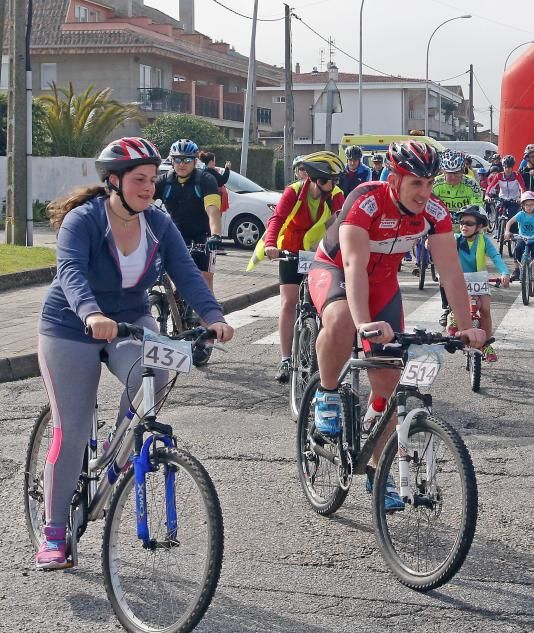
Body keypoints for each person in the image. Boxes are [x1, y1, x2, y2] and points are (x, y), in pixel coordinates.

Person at [35, 137, 235, 570]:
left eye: (152, 179)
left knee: (156, 372)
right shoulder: (83, 220)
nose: (149, 188)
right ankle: (53, 531)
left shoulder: (158, 223)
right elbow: (70, 273)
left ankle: (117, 450)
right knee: (69, 430)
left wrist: (213, 316)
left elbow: (186, 271)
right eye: (139, 180)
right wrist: (90, 313)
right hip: (72, 325)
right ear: (113, 182)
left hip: (129, 321)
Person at [308, 141, 487, 510]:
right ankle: (326, 394)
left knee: (389, 388)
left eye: (429, 183)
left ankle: (378, 471)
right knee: (340, 320)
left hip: (384, 286)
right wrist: (362, 323)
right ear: (394, 179)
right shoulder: (366, 200)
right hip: (336, 272)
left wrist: (466, 327)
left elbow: (451, 272)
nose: (425, 192)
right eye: (416, 184)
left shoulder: (434, 212)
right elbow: (354, 265)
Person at [253, 151, 346, 382]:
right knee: (288, 302)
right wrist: (272, 244)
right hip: (291, 249)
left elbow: (343, 223)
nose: (332, 185)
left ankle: (325, 352)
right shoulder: (293, 192)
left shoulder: (336, 195)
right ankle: (285, 359)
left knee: (326, 304)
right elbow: (277, 218)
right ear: (314, 178)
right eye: (328, 180)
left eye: (335, 180)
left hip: (319, 252)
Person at [154, 139, 222, 290]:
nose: (181, 164)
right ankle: (174, 308)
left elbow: (213, 211)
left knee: (204, 279)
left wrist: (215, 235)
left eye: (187, 159)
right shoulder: (164, 181)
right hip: (175, 235)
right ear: (171, 161)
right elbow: (142, 204)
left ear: (195, 161)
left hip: (204, 236)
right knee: (172, 278)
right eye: (177, 159)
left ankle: (208, 313)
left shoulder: (205, 180)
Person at [448, 204, 510, 362]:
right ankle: (453, 316)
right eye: (462, 222)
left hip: (479, 280)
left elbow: (496, 257)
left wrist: (504, 272)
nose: (464, 226)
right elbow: (443, 250)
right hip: (460, 281)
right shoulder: (455, 240)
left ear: (479, 226)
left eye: (469, 223)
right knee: (459, 307)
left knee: (485, 310)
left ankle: (487, 344)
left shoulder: (484, 241)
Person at [433, 150, 485, 325]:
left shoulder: (471, 184)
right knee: (444, 274)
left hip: (466, 227)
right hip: (444, 228)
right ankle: (446, 308)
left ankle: (473, 296)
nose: (453, 177)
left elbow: (477, 206)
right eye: (449, 173)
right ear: (443, 171)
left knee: (468, 265)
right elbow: (428, 205)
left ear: (463, 170)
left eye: (457, 173)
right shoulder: (436, 184)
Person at [505, 191, 534, 283]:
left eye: (531, 205)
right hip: (522, 238)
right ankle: (516, 270)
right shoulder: (521, 214)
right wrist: (507, 231)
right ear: (523, 205)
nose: (529, 207)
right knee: (517, 250)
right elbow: (509, 222)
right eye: (527, 205)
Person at [485, 154, 526, 219]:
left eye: (509, 167)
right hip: (502, 199)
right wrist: (487, 195)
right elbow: (491, 186)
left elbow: (522, 187)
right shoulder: (499, 176)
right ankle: (498, 226)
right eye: (505, 167)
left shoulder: (517, 175)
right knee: (497, 213)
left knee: (512, 216)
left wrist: (521, 198)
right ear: (503, 167)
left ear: (512, 167)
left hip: (514, 199)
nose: (507, 169)